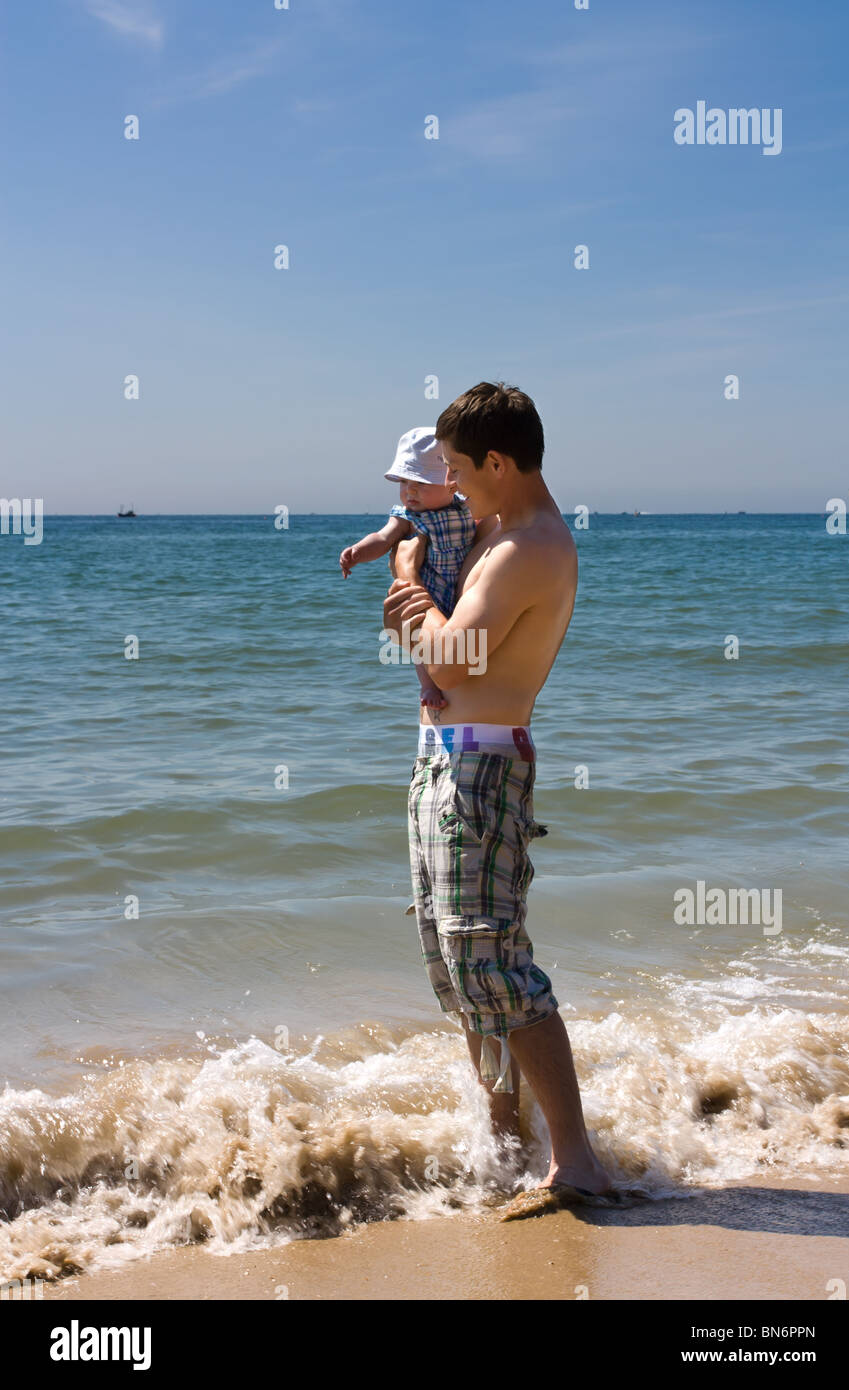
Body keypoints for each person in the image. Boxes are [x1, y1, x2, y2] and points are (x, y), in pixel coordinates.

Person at [383, 381, 615, 1215]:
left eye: (458, 467)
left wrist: (410, 593)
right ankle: (509, 1147)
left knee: (496, 966)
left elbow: (449, 662)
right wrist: (411, 568)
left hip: (482, 769)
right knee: (460, 975)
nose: (450, 481)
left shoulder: (528, 547)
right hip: (443, 763)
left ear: (497, 462)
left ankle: (578, 1162)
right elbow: (435, 596)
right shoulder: (491, 530)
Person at [340, 427, 478, 707]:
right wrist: (358, 552)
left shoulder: (466, 507)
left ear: (450, 481)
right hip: (427, 591)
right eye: (404, 482)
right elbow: (382, 538)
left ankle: (466, 682)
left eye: (421, 483)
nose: (410, 491)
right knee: (418, 635)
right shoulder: (406, 517)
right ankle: (427, 687)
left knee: (464, 643)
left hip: (463, 591)